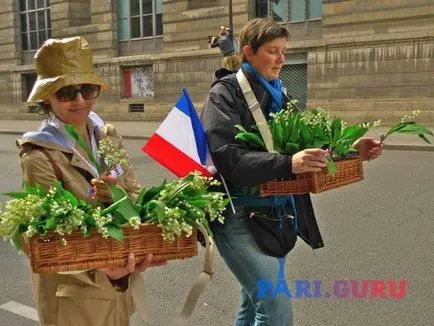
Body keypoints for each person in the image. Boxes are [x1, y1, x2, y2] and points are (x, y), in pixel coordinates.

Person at [201, 18, 383, 326]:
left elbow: (307, 144)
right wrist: (289, 163)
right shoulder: (225, 94)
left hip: (276, 215)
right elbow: (227, 159)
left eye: (284, 51)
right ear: (249, 52)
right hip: (238, 216)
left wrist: (353, 150)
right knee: (274, 304)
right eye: (273, 51)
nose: (282, 59)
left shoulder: (278, 93)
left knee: (254, 301)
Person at [17, 36, 165, 326]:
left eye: (87, 89)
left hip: (118, 283)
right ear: (47, 96)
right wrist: (103, 267)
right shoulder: (38, 155)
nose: (80, 101)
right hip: (73, 297)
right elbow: (43, 238)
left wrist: (117, 197)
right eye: (67, 93)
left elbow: (134, 193)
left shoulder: (106, 135)